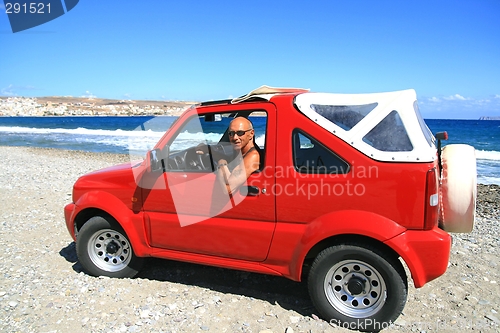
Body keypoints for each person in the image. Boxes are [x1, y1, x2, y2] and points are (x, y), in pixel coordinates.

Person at [216, 117, 260, 195]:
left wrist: (221, 163)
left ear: (251, 134)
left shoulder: (253, 156)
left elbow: (227, 188)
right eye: (231, 133)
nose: (235, 137)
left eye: (240, 133)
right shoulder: (240, 152)